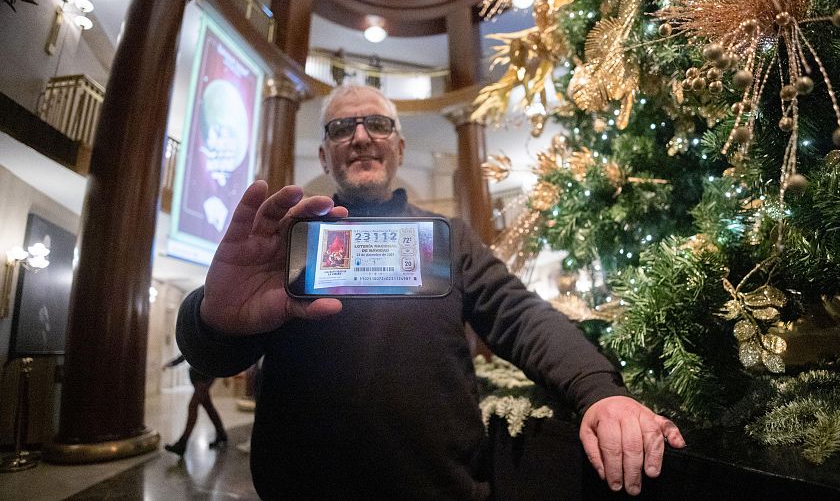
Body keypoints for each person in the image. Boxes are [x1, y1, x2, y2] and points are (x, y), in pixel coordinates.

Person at [176, 84, 685, 498]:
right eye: (341, 127)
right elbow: (219, 346)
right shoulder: (293, 240)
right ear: (324, 154)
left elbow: (519, 316)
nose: (360, 136)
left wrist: (598, 391)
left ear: (398, 147)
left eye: (378, 124)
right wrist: (212, 317)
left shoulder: (449, 237)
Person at [162, 354, 228, 456]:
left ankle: (183, 443)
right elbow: (187, 352)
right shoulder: (199, 339)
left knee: (193, 406)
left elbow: (220, 355)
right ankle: (221, 434)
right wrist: (171, 363)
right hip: (198, 377)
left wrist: (225, 375)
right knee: (209, 407)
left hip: (206, 377)